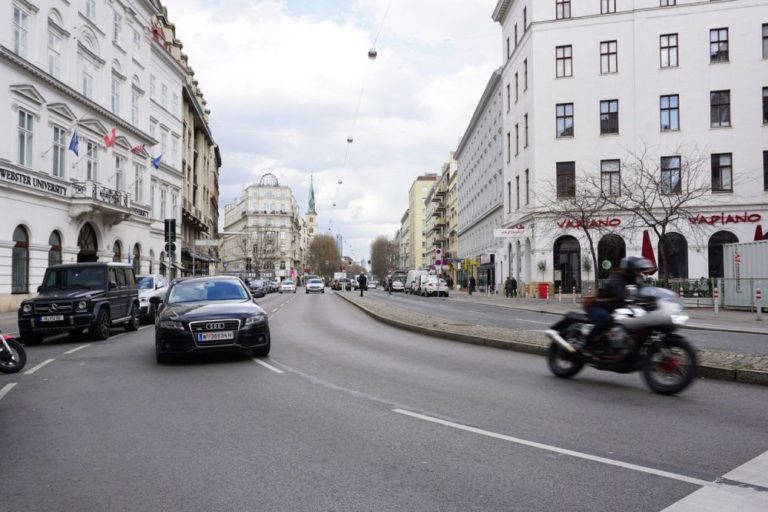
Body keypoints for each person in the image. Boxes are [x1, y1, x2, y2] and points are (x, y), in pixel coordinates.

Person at [582, 256, 655, 351]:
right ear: (630, 270)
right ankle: (587, 345)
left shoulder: (635, 279)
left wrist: (652, 299)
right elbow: (622, 293)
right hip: (598, 306)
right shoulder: (616, 278)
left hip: (615, 309)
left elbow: (643, 290)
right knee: (606, 320)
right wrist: (635, 299)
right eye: (637, 270)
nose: (639, 273)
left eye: (640, 270)